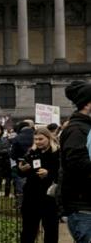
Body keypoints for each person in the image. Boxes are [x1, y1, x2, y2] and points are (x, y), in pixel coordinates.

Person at [59, 80, 91, 243]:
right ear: (87, 104)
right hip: (82, 206)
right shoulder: (77, 130)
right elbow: (77, 164)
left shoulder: (83, 127)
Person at [19, 127, 60, 243]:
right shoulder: (32, 152)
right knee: (28, 230)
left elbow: (62, 173)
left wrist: (49, 173)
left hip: (49, 198)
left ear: (48, 138)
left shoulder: (57, 153)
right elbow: (22, 173)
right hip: (31, 197)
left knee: (50, 230)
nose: (38, 142)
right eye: (35, 139)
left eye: (41, 139)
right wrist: (22, 169)